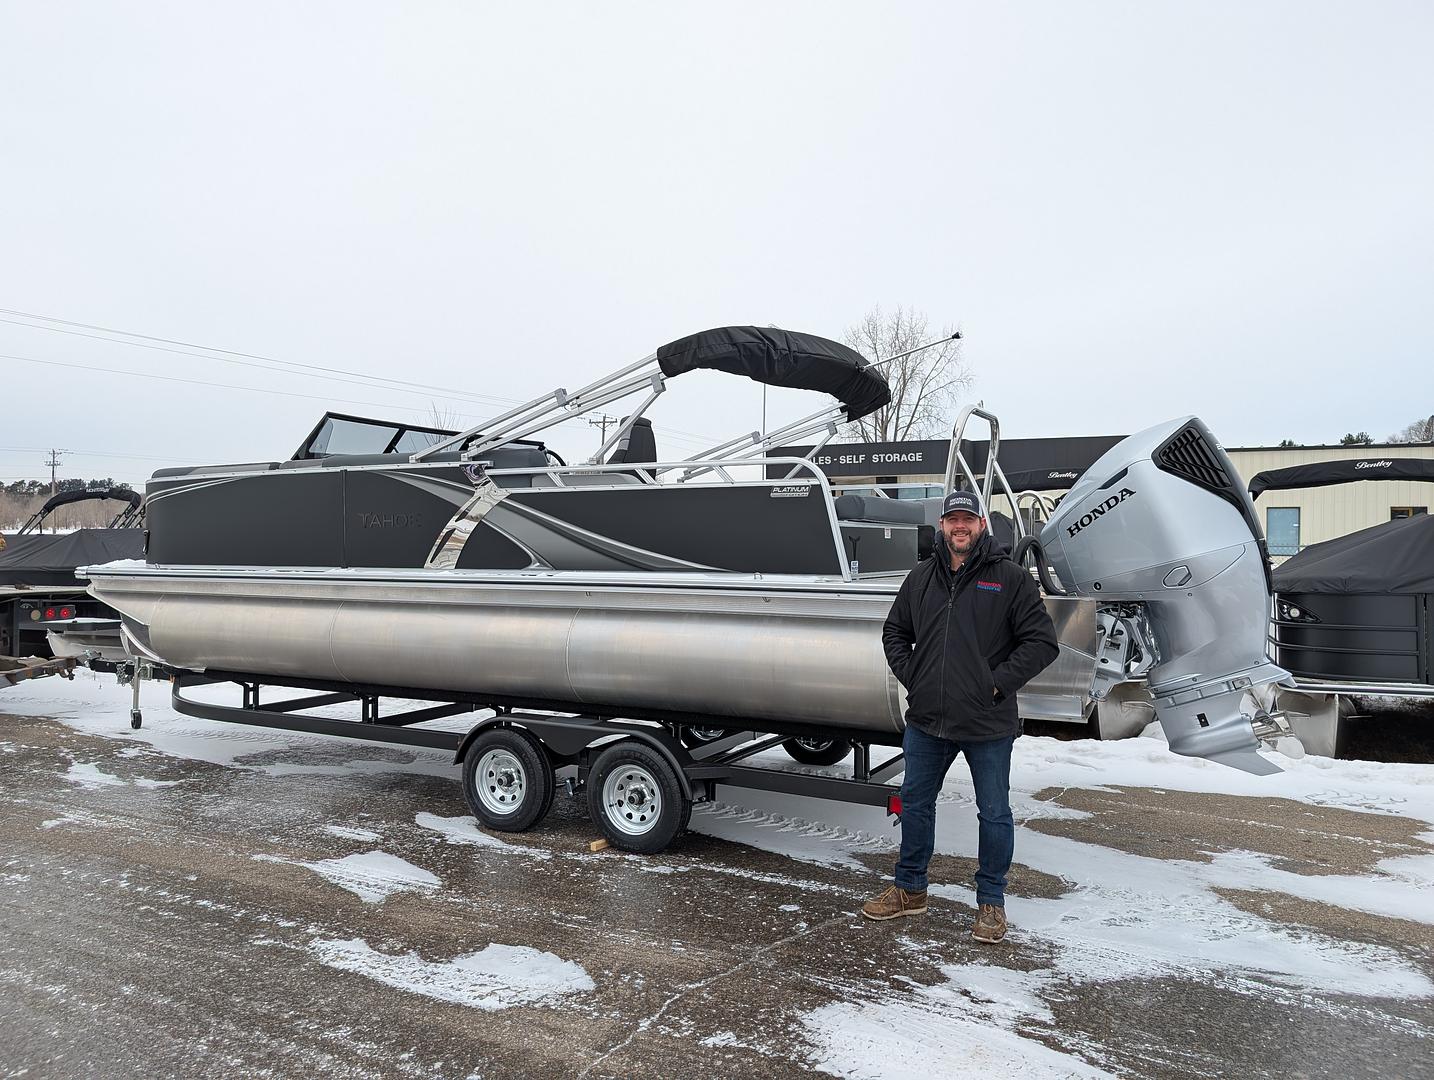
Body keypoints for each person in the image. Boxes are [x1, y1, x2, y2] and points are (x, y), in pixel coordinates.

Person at [861, 489, 1058, 943]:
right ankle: (910, 889)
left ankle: (991, 903)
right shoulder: (921, 578)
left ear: (982, 524)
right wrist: (916, 676)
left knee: (993, 814)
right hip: (929, 720)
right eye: (953, 519)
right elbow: (895, 631)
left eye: (969, 519)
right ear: (943, 525)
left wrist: (994, 683)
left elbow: (1042, 643)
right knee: (914, 804)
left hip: (987, 723)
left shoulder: (1008, 578)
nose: (960, 526)